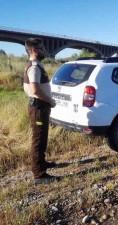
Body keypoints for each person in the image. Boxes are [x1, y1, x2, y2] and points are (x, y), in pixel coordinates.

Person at [23, 38, 58, 184]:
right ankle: (39, 174)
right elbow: (35, 90)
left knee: (42, 136)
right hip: (39, 106)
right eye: (42, 48)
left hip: (39, 106)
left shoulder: (34, 65)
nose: (44, 50)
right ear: (35, 50)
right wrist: (49, 100)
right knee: (38, 138)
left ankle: (41, 162)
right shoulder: (34, 67)